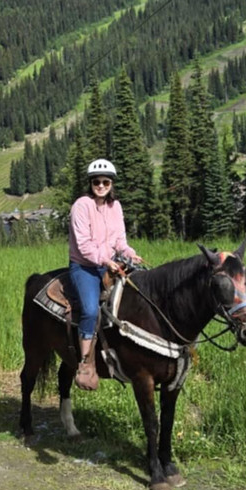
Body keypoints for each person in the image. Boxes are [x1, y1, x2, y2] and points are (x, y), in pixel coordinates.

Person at [68, 158, 142, 390]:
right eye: (96, 182)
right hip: (85, 267)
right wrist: (106, 260)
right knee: (90, 310)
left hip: (110, 263)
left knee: (138, 298)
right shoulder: (81, 205)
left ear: (111, 184)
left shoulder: (115, 206)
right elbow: (84, 244)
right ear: (90, 183)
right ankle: (85, 361)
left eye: (105, 182)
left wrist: (130, 253)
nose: (101, 185)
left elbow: (120, 239)